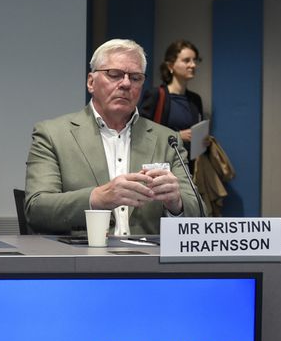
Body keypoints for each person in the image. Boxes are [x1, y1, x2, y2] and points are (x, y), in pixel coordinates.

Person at [24, 39, 202, 236]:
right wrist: (97, 198)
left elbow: (199, 213)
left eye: (135, 78)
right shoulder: (53, 135)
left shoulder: (167, 140)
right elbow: (37, 209)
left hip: (148, 262)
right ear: (91, 82)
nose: (126, 84)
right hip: (82, 261)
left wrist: (176, 204)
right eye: (114, 74)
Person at [140, 40, 204, 153]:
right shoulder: (156, 95)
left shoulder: (195, 99)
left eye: (195, 60)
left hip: (189, 165)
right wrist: (177, 136)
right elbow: (142, 132)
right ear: (170, 65)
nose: (193, 65)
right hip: (162, 163)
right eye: (186, 60)